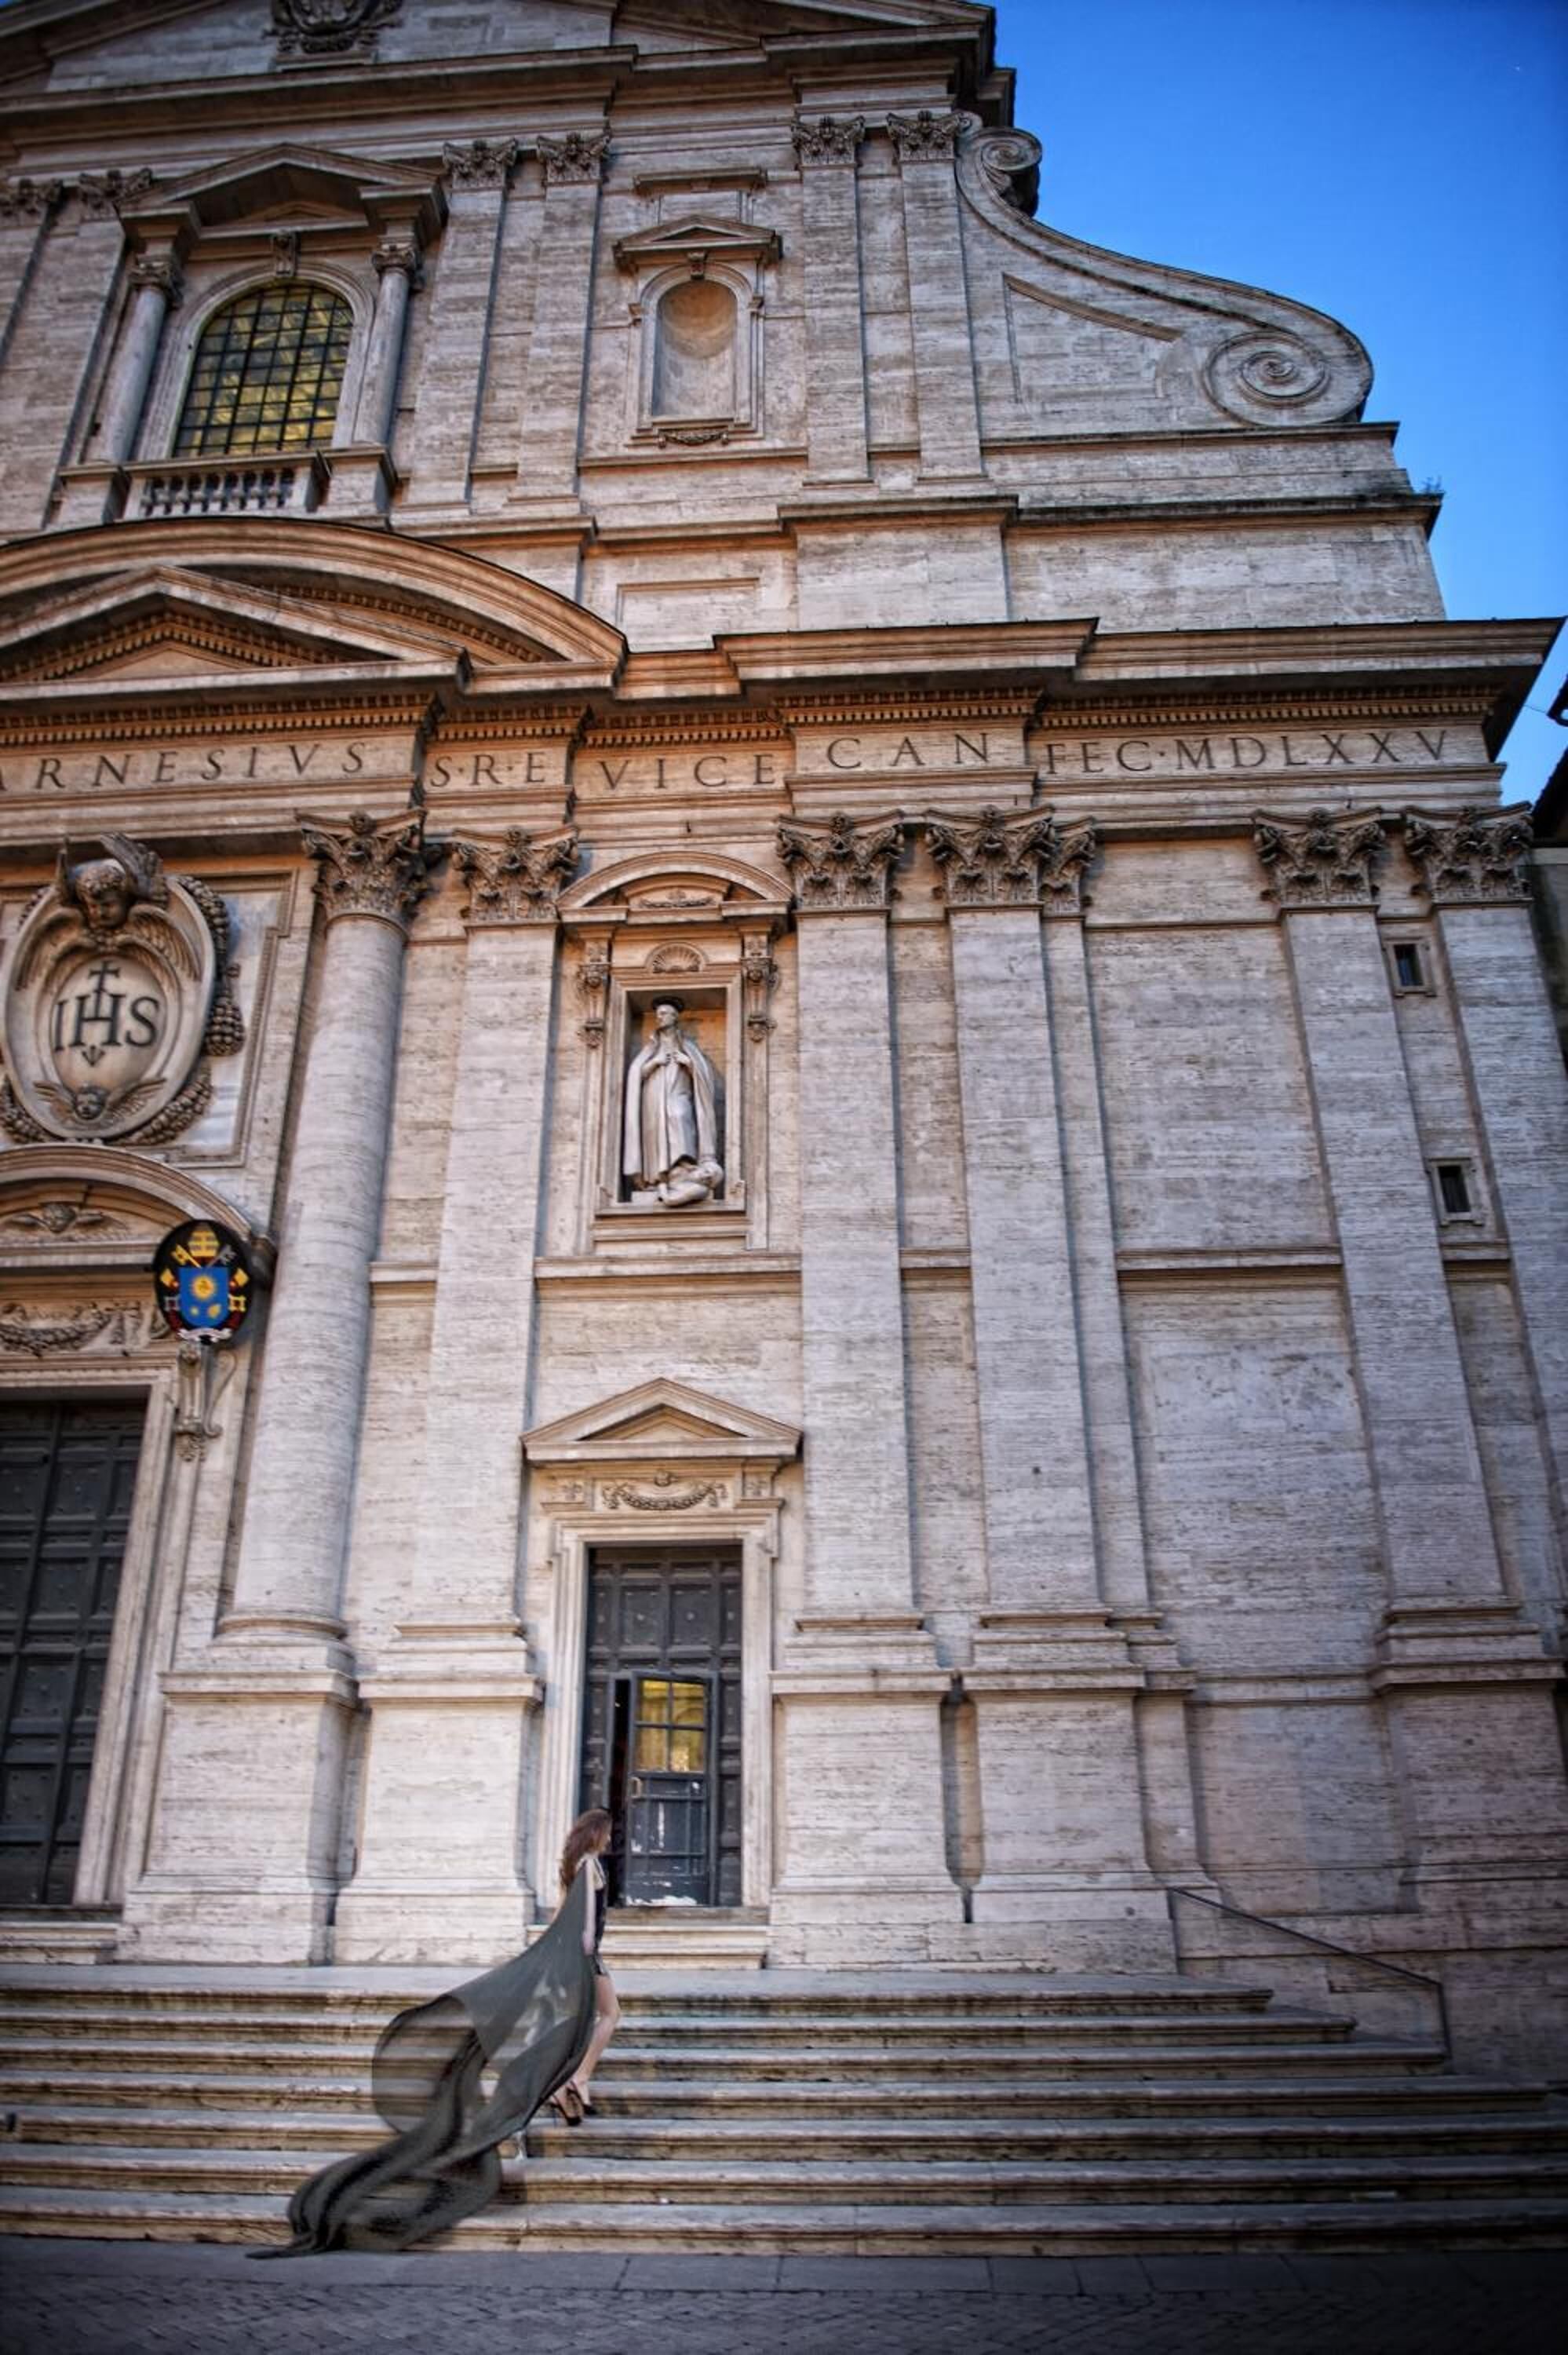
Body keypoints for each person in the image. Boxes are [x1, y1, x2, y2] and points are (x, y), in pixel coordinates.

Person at [549, 1806, 621, 2123]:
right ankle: (578, 2078)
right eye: (607, 1833)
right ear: (597, 1833)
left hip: (574, 1950)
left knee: (582, 2020)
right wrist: (589, 1940)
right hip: (586, 1951)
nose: (609, 1839)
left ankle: (567, 2087)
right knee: (610, 2014)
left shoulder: (571, 1863)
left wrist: (552, 1946)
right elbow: (589, 1908)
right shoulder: (590, 1863)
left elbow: (561, 1907)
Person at [622, 998, 723, 1206]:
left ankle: (683, 1169)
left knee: (680, 1115)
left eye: (664, 1013)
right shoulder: (652, 1047)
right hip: (653, 1098)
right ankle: (660, 1177)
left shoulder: (687, 1047)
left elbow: (704, 1076)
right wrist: (654, 1063)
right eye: (657, 1014)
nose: (659, 1017)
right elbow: (637, 1075)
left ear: (674, 1017)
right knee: (656, 1132)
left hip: (679, 1093)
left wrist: (689, 1064)